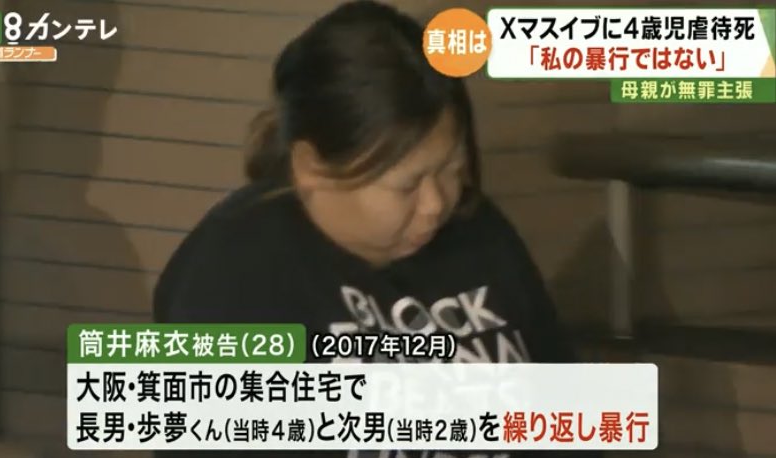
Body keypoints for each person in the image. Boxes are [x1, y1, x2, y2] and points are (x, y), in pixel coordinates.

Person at [154, 1, 597, 457]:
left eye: (451, 169)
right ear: (311, 167)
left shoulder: (475, 229)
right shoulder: (231, 275)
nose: (436, 204)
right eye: (406, 186)